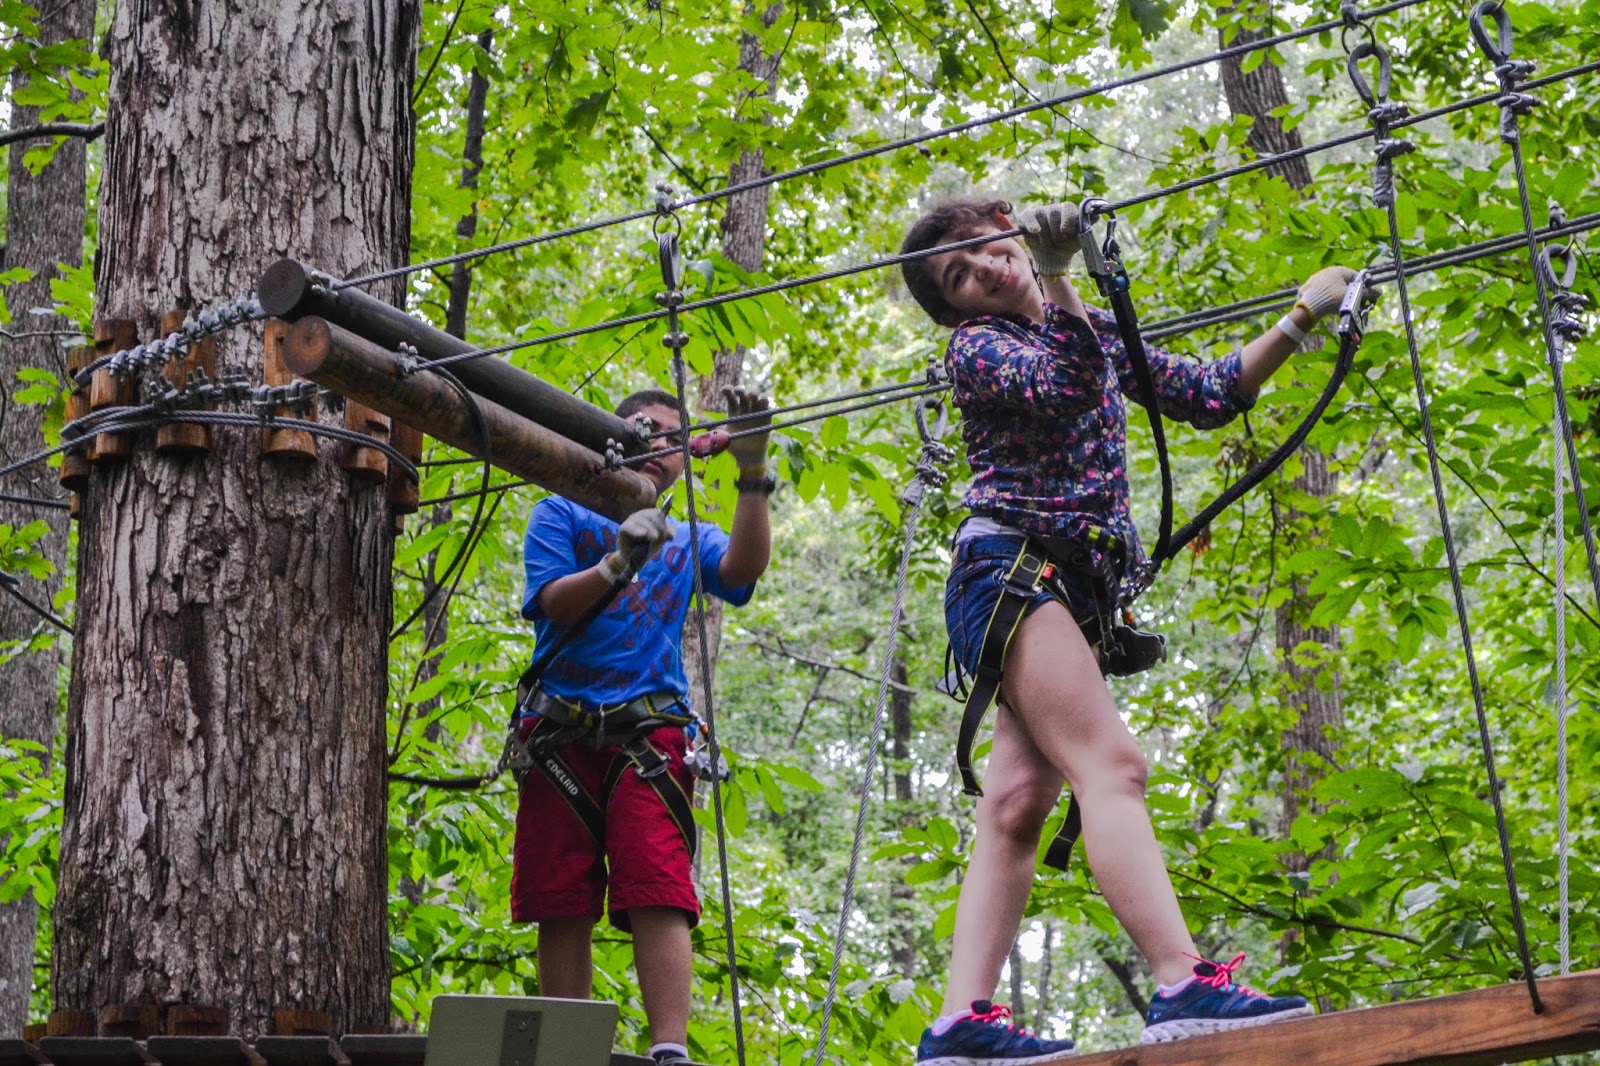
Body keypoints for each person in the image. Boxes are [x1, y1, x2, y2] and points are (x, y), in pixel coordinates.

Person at [898, 196, 1355, 1063]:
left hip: (1055, 587)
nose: (983, 271)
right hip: (1010, 571)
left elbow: (1211, 393)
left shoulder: (1095, 331)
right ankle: (1182, 980)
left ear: (1009, 225)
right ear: (957, 308)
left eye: (982, 247)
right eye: (958, 276)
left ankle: (960, 1024)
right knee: (1112, 766)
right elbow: (1064, 385)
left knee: (1017, 804)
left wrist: (1302, 316)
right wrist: (1062, 279)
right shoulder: (979, 349)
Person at [511, 386, 774, 1066]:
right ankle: (566, 1049)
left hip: (648, 735)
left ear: (686, 460)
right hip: (562, 731)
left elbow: (742, 570)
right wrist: (615, 562)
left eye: (671, 437)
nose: (658, 444)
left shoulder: (689, 537)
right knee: (559, 895)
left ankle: (668, 1048)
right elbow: (555, 606)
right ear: (612, 436)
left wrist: (752, 471)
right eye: (642, 430)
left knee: (657, 884)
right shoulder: (561, 510)